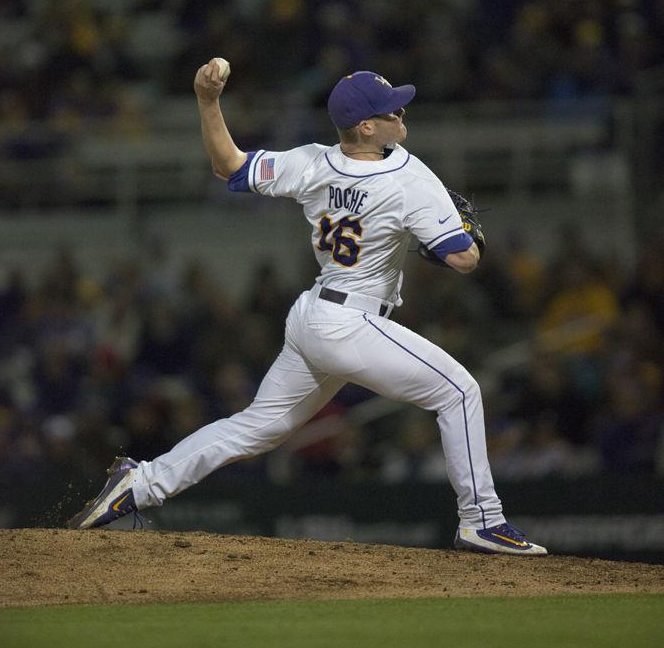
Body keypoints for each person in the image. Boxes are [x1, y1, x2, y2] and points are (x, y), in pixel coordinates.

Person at [68, 62, 547, 555]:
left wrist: (208, 102)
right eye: (391, 109)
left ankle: (141, 482)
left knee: (257, 428)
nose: (402, 112)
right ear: (366, 126)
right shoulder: (410, 176)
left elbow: (228, 165)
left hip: (314, 315)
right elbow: (464, 259)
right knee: (459, 391)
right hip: (350, 322)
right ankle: (481, 519)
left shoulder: (313, 162)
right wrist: (466, 235)